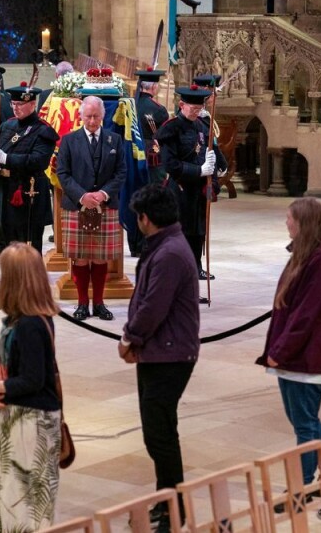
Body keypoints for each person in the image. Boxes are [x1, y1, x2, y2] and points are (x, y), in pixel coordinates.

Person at [118, 184, 199, 530]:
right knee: (160, 432)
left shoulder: (168, 254)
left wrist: (131, 337)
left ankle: (174, 509)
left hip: (169, 355)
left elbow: (154, 305)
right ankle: (167, 501)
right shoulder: (166, 245)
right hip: (160, 352)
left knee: (160, 435)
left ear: (146, 219)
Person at [255, 197, 321, 495]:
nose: (286, 222)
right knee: (304, 421)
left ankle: (303, 486)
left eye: (289, 217)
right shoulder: (307, 253)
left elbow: (306, 314)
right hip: (296, 356)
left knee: (305, 425)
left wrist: (280, 352)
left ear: (303, 222)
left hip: (304, 357)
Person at [0, 242, 61, 533]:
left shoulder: (30, 325)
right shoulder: (23, 319)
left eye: (3, 274)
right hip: (19, 418)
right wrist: (4, 385)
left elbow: (33, 380)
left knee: (23, 507)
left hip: (31, 424)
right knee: (3, 497)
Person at [56, 96, 128, 321]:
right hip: (77, 206)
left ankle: (98, 303)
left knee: (100, 258)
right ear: (80, 116)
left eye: (96, 116)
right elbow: (63, 174)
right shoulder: (68, 140)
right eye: (88, 116)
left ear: (103, 116)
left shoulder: (115, 140)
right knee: (80, 258)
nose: (92, 120)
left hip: (106, 206)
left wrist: (103, 194)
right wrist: (82, 196)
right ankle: (81, 303)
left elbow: (121, 173)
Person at [155, 85, 227, 296]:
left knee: (198, 234)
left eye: (199, 108)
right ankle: (177, 280)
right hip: (180, 190)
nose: (196, 113)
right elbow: (170, 164)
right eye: (193, 109)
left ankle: (194, 275)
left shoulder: (203, 126)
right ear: (181, 105)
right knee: (181, 235)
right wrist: (198, 170)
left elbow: (209, 155)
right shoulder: (171, 129)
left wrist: (212, 180)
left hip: (199, 192)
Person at [0, 82, 59, 253]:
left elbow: (38, 161)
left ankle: (29, 277)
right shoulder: (7, 126)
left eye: (20, 104)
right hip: (5, 189)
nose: (15, 108)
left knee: (28, 242)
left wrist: (6, 158)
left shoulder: (43, 131)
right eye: (13, 104)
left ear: (33, 104)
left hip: (28, 192)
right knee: (7, 238)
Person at [126, 67, 170, 258]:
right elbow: (163, 136)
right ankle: (148, 242)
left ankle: (134, 243)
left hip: (131, 159)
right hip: (152, 160)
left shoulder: (130, 105)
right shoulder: (158, 111)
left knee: (134, 197)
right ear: (154, 87)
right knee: (152, 198)